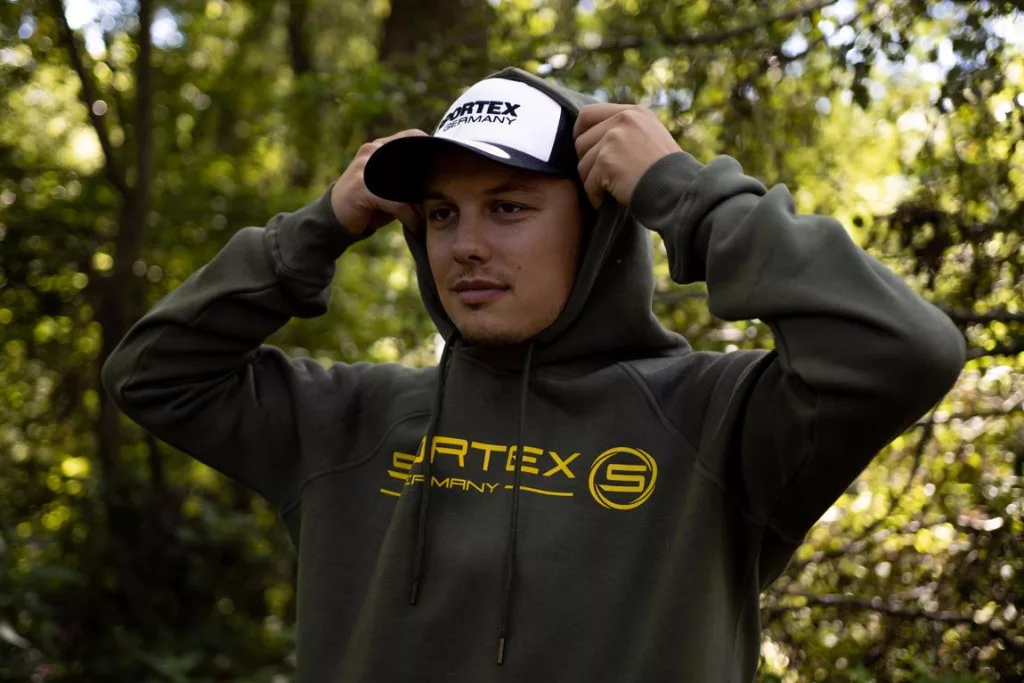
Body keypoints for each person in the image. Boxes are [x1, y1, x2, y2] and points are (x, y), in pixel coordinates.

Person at [102, 66, 966, 681]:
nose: (466, 245)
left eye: (508, 207)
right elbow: (153, 372)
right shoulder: (350, 422)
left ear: (599, 227)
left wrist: (684, 193)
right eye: (442, 214)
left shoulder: (717, 423)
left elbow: (904, 351)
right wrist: (322, 224)